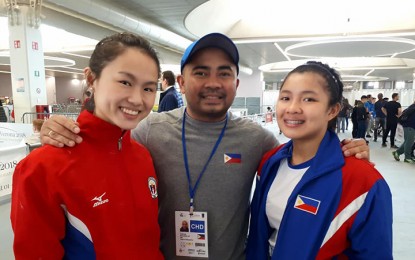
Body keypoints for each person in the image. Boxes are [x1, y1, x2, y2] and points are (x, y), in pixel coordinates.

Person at [39, 33, 370, 260]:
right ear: (181, 82)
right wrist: (61, 128)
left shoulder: (256, 139)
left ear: (236, 84)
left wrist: (344, 150)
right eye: (200, 72)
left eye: (223, 73)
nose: (213, 82)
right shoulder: (147, 131)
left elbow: (298, 163)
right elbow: (107, 147)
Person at [11, 32, 164, 259]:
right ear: (92, 79)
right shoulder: (43, 166)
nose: (137, 99)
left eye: (148, 88)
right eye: (125, 82)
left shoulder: (143, 156)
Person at [246, 61, 392, 259]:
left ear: (332, 110)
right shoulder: (270, 162)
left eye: (308, 99)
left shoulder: (363, 180)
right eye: (286, 97)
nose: (292, 108)